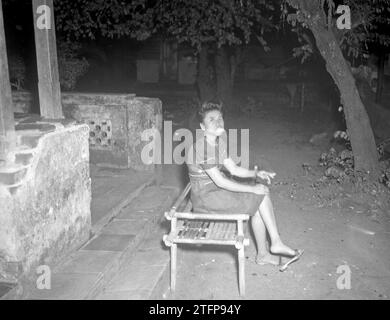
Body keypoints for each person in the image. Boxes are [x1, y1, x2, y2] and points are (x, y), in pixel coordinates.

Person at [185, 101, 303, 270]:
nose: (218, 122)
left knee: (261, 194)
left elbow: (233, 169)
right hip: (207, 198)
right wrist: (251, 188)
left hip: (216, 192)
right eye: (212, 119)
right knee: (260, 194)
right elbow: (220, 181)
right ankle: (273, 245)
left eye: (220, 118)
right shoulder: (201, 147)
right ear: (202, 127)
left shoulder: (218, 143)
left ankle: (267, 251)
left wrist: (255, 174)